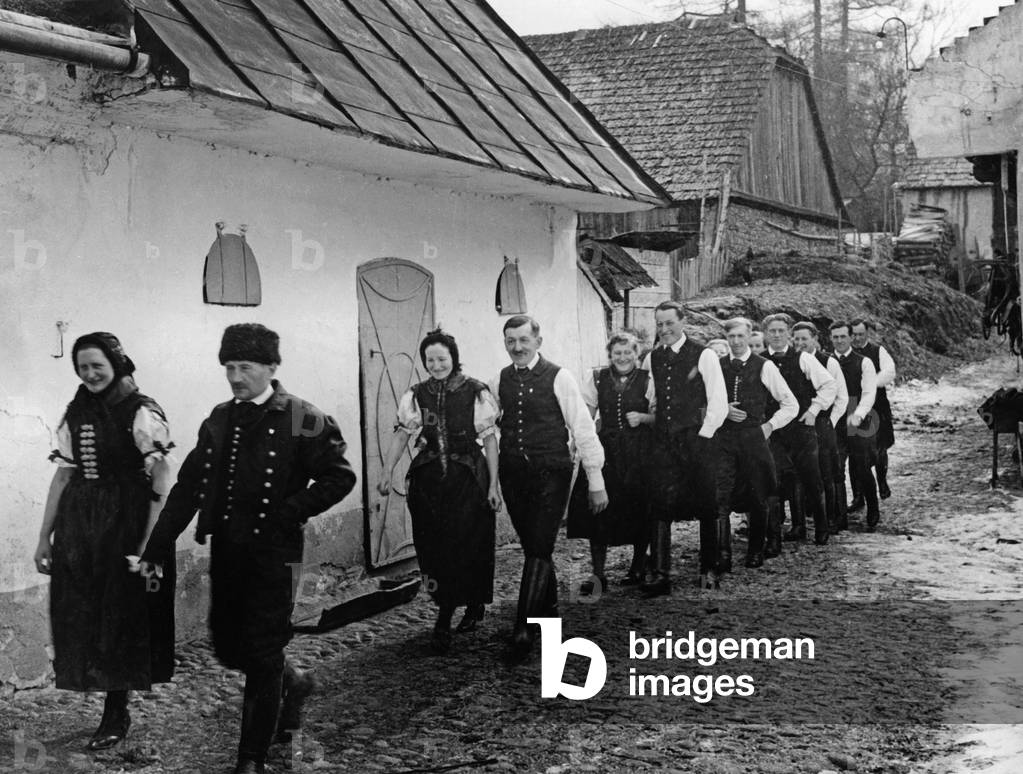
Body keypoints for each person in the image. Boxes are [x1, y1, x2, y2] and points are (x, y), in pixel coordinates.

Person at [138, 324, 356, 774]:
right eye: (229, 367)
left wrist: (292, 508)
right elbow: (189, 486)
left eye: (246, 367)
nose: (236, 377)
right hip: (229, 551)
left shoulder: (302, 416)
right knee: (231, 648)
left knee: (260, 649)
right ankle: (294, 682)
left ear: (271, 367)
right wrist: (158, 545)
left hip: (278, 553)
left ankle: (250, 759)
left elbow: (340, 477)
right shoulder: (219, 419)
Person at [34, 332, 176, 751]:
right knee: (82, 609)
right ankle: (101, 692)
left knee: (122, 613)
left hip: (128, 521)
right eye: (82, 367)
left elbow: (162, 477)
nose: (90, 374)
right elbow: (63, 474)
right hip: (81, 523)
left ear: (117, 364)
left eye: (97, 365)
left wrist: (150, 542)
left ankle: (117, 711)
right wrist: (45, 536)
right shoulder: (75, 411)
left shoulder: (141, 411)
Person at [378, 329, 501, 654]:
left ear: (453, 358)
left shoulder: (476, 392)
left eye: (442, 358)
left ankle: (453, 614)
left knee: (467, 545)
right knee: (434, 547)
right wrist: (387, 470)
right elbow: (403, 435)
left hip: (466, 479)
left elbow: (489, 440)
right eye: (430, 360)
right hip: (429, 481)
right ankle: (448, 604)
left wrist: (493, 485)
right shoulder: (417, 395)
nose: (436, 365)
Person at [491, 315, 607, 659]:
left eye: (523, 340)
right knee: (532, 546)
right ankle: (550, 607)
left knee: (540, 545)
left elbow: (582, 428)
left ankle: (523, 628)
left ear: (538, 341)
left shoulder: (560, 377)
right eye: (510, 341)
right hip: (514, 475)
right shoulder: (500, 379)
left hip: (551, 474)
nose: (517, 347)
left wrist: (595, 479)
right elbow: (484, 417)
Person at [640, 301, 727, 594]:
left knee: (705, 502)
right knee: (659, 502)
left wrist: (704, 436)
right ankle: (661, 573)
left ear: (683, 322)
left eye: (669, 323)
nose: (664, 330)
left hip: (697, 440)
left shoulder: (703, 355)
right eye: (659, 324)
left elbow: (719, 402)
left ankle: (709, 569)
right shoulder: (653, 358)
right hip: (664, 441)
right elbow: (652, 398)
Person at [567, 331, 655, 593]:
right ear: (610, 355)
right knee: (598, 512)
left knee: (640, 508)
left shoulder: (648, 379)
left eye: (628, 352)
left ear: (637, 354)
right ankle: (598, 574)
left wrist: (643, 417)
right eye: (617, 353)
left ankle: (638, 567)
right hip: (605, 451)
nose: (623, 357)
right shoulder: (597, 378)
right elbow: (586, 415)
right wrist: (577, 442)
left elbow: (659, 416)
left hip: (638, 452)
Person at [716, 318, 797, 569]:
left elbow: (791, 404)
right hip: (724, 439)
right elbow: (702, 402)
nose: (737, 342)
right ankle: (723, 554)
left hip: (753, 439)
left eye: (741, 336)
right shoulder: (716, 366)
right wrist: (722, 410)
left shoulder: (764, 366)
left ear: (749, 335)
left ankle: (755, 550)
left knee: (758, 495)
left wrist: (769, 425)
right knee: (721, 495)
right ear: (726, 338)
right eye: (732, 337)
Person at [762, 314, 837, 548]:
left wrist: (814, 410)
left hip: (801, 429)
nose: (776, 335)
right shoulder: (759, 361)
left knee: (811, 478)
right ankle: (787, 531)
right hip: (773, 430)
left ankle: (822, 528)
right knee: (776, 479)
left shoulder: (803, 358)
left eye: (781, 331)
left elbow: (829, 385)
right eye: (772, 331)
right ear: (765, 334)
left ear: (788, 334)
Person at [792, 322, 849, 533]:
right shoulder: (793, 361)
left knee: (827, 471)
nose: (800, 343)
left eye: (804, 339)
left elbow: (841, 397)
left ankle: (833, 518)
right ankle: (800, 523)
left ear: (815, 339)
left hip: (823, 422)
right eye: (796, 339)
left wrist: (830, 423)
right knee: (800, 473)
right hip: (800, 423)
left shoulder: (828, 362)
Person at [829, 321, 881, 531]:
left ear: (851, 338)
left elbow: (869, 393)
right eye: (835, 337)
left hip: (858, 414)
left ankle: (872, 507)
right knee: (836, 467)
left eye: (843, 336)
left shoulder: (864, 362)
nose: (840, 341)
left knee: (862, 466)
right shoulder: (828, 361)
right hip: (835, 416)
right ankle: (839, 516)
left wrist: (858, 414)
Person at [851, 319, 896, 500]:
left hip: (877, 404)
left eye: (861, 334)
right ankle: (858, 495)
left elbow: (889, 372)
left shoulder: (877, 351)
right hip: (854, 405)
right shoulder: (846, 353)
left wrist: (870, 384)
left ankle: (882, 481)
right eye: (854, 334)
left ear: (867, 334)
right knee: (856, 452)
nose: (857, 338)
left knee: (880, 447)